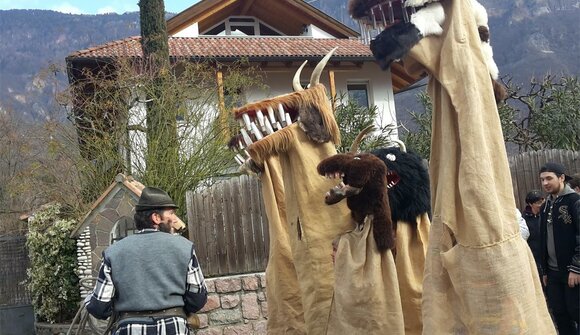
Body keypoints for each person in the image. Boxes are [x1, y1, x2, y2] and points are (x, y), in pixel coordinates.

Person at [85, 187, 207, 335]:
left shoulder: (113, 252)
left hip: (128, 329)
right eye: (171, 213)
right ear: (156, 218)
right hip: (174, 328)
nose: (175, 219)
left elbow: (99, 307)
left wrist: (88, 300)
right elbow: (198, 297)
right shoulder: (185, 247)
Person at [539, 162, 580, 335]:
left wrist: (577, 268)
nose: (545, 183)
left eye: (549, 178)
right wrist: (545, 271)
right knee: (559, 314)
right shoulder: (546, 205)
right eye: (542, 180)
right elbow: (543, 239)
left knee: (576, 312)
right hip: (553, 273)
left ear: (561, 178)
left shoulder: (574, 201)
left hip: (572, 271)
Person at [523, 190, 544, 275]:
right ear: (530, 204)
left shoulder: (546, 215)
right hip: (533, 257)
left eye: (543, 201)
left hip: (547, 258)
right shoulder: (524, 219)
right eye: (538, 202)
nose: (542, 204)